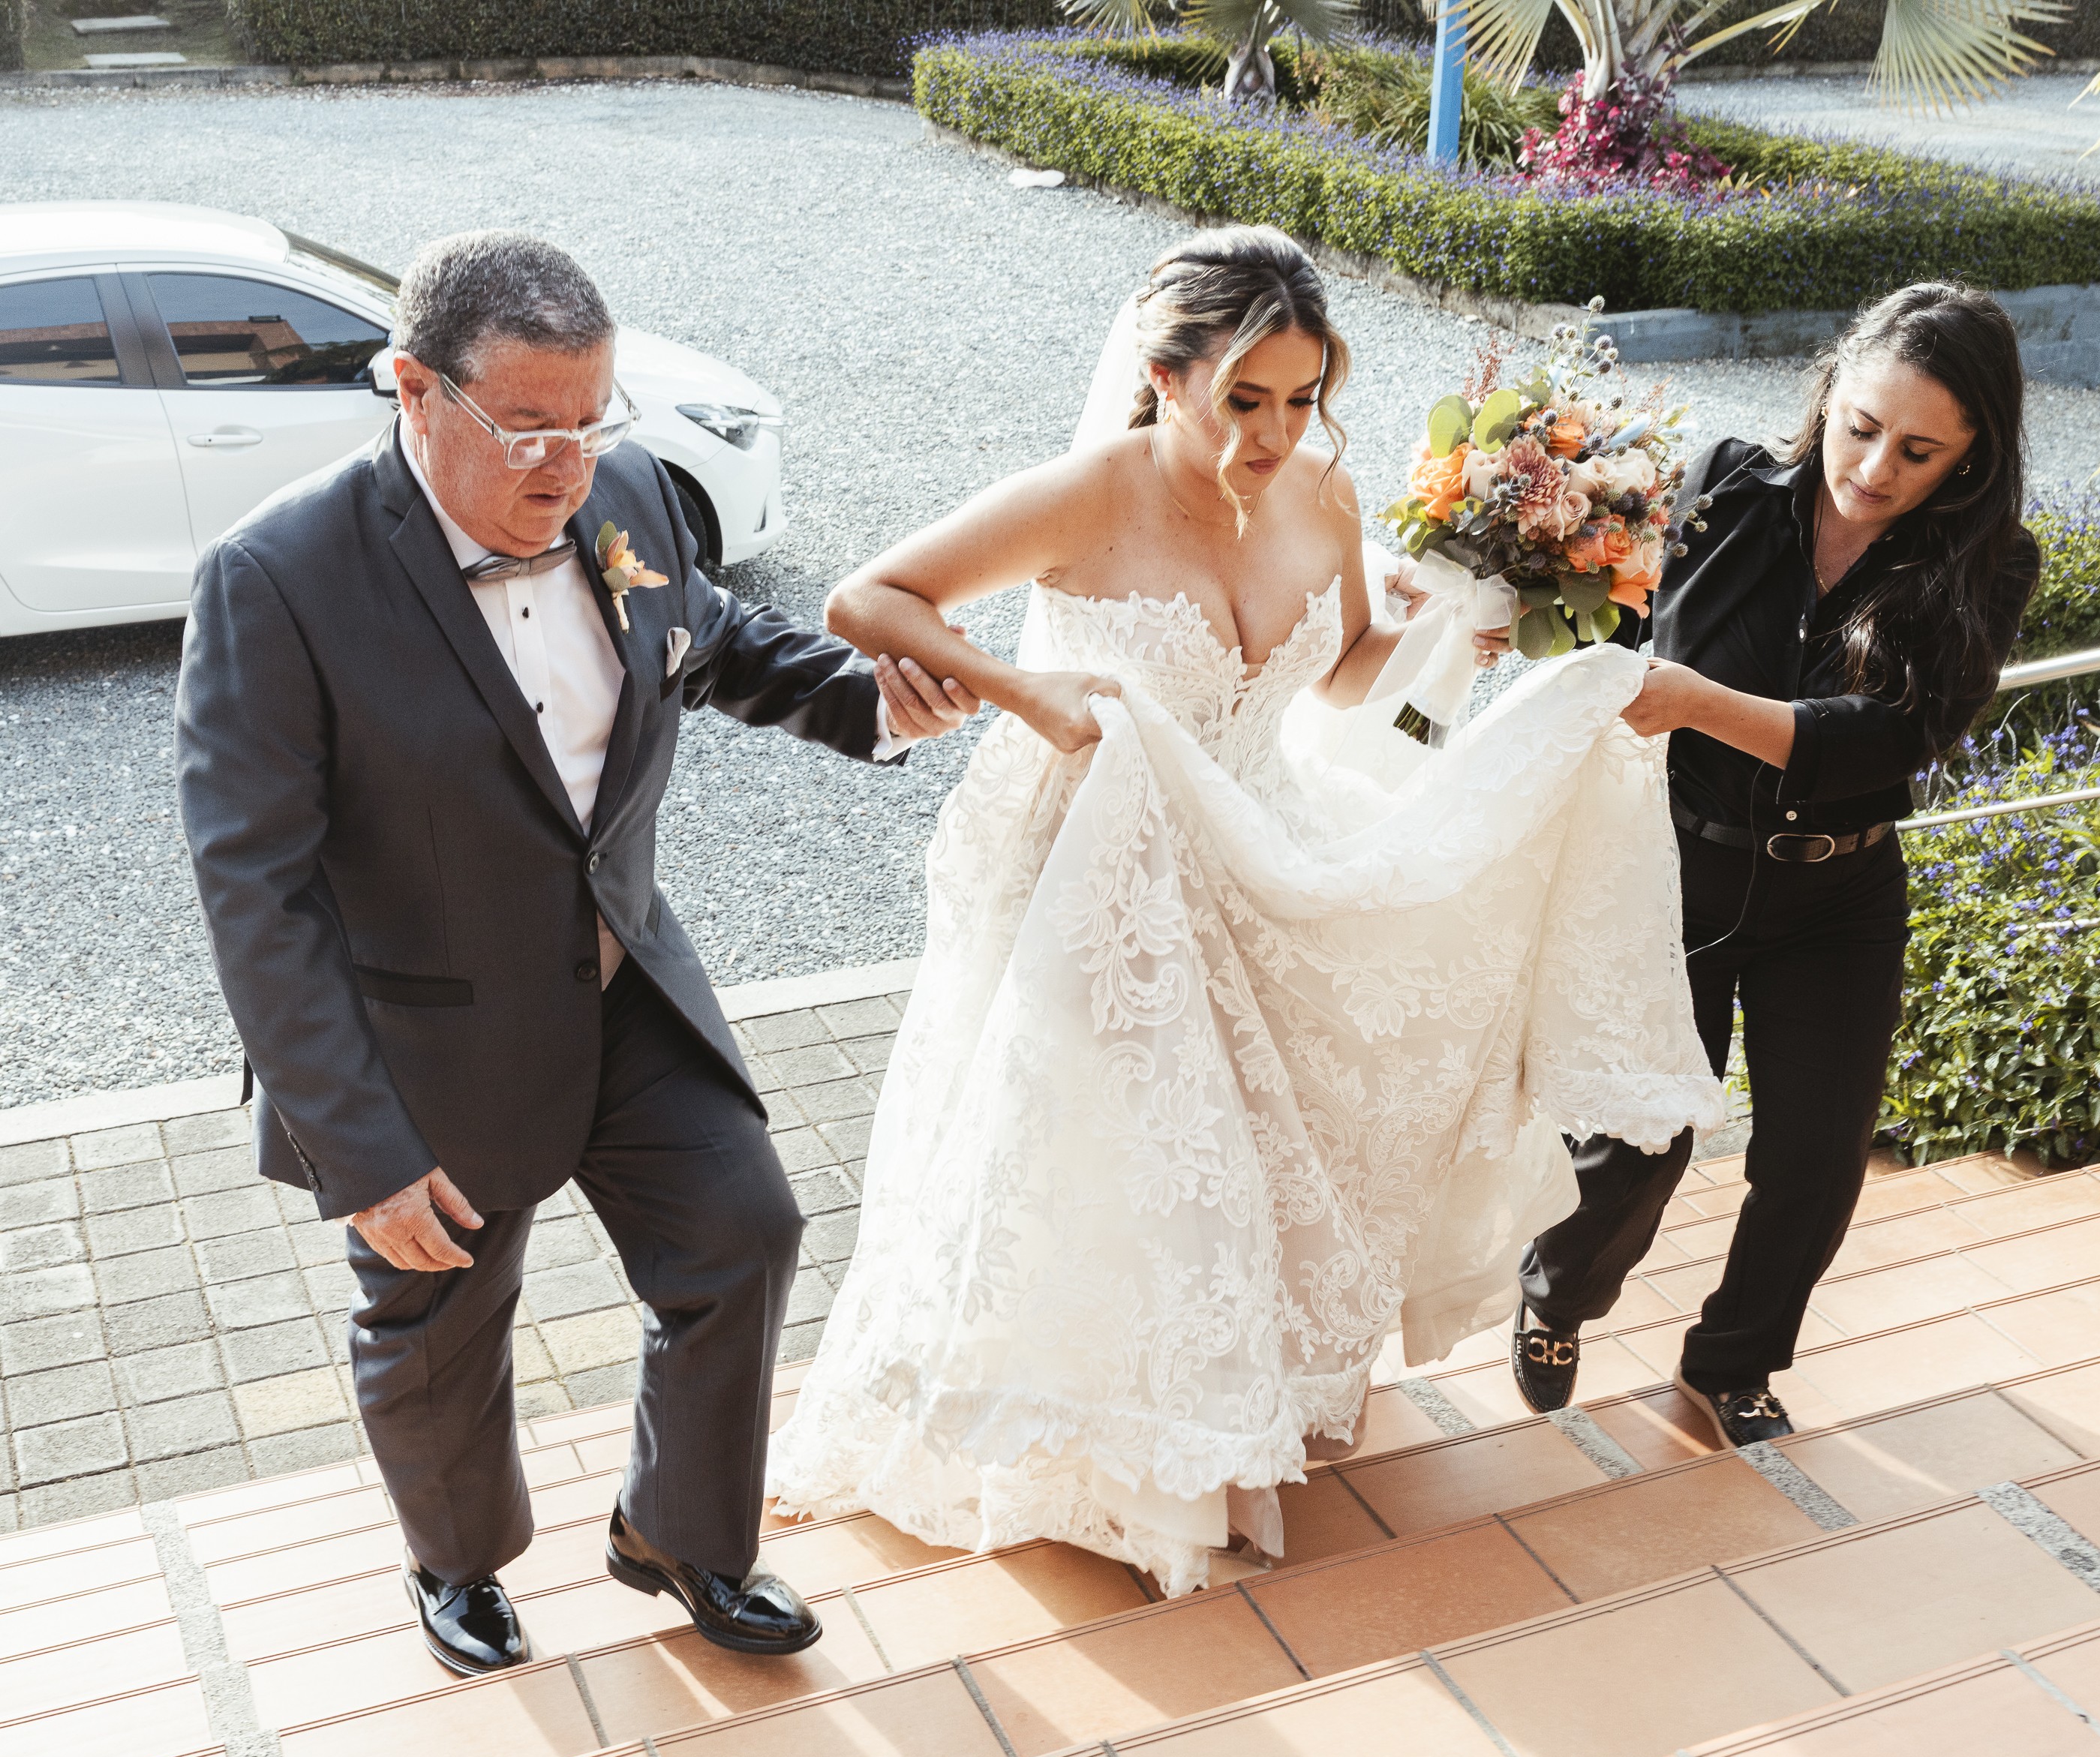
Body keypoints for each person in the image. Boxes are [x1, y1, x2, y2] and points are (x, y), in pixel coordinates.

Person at [765, 227, 1723, 1598]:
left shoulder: (1320, 490)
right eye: (1244, 400)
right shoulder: (1087, 494)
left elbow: (1339, 671)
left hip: (1259, 838)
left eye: (1301, 398)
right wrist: (1025, 691)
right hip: (1096, 871)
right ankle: (1109, 1455)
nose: (1274, 434)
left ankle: (1215, 1416)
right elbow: (867, 595)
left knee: (1258, 1148)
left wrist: (1450, 634)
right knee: (1127, 1152)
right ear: (1163, 377)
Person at [175, 230, 969, 1678]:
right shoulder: (276, 578)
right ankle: (457, 1560)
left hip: (621, 977)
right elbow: (255, 889)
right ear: (413, 389)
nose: (566, 464)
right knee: (438, 1320)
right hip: (430, 1035)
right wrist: (359, 1148)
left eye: (591, 420)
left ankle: (681, 1532)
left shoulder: (634, 491)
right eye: (528, 428)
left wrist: (865, 701)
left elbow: (705, 639)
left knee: (742, 1231)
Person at [1504, 282, 2040, 1446]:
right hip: (1679, 870)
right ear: (1828, 394)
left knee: (1814, 1157)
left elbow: (1893, 739)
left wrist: (1701, 701)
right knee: (1639, 1138)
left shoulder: (1988, 566)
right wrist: (1511, 597)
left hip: (1839, 895)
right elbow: (1617, 629)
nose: (1874, 469)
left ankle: (1732, 1357)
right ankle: (1555, 1294)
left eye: (1917, 452)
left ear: (1970, 457)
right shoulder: (1720, 489)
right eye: (1861, 428)